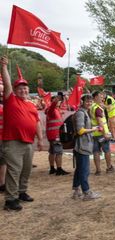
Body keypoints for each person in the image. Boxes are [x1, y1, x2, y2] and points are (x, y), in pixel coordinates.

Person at [1, 56, 44, 211]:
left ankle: (21, 192)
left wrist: (40, 139)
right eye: (20, 88)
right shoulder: (10, 100)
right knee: (14, 170)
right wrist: (4, 67)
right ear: (15, 90)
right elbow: (6, 84)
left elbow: (37, 122)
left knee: (26, 169)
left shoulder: (31, 105)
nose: (23, 90)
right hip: (13, 141)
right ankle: (10, 200)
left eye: (25, 88)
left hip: (29, 142)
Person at [71, 94, 101, 200]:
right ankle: (86, 193)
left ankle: (76, 191)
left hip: (83, 145)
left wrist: (93, 128)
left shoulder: (84, 112)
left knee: (80, 169)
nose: (89, 103)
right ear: (82, 102)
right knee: (84, 170)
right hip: (82, 146)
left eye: (90, 101)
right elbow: (80, 130)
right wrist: (94, 129)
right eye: (87, 101)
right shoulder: (80, 113)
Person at [90, 91, 114, 175]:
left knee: (96, 152)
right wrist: (105, 134)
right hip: (101, 134)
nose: (102, 98)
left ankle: (98, 170)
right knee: (106, 150)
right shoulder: (97, 109)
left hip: (94, 133)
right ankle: (109, 167)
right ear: (95, 97)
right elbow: (100, 122)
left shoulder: (92, 107)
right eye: (100, 96)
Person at [45, 95, 69, 176]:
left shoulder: (56, 110)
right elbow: (52, 108)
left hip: (53, 135)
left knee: (52, 152)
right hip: (55, 135)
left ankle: (52, 168)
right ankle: (59, 169)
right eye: (57, 101)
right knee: (59, 152)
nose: (59, 102)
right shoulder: (51, 109)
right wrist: (54, 102)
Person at [0, 81, 6, 192]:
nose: (1, 92)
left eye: (2, 90)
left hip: (4, 138)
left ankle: (2, 183)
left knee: (3, 161)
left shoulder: (6, 104)